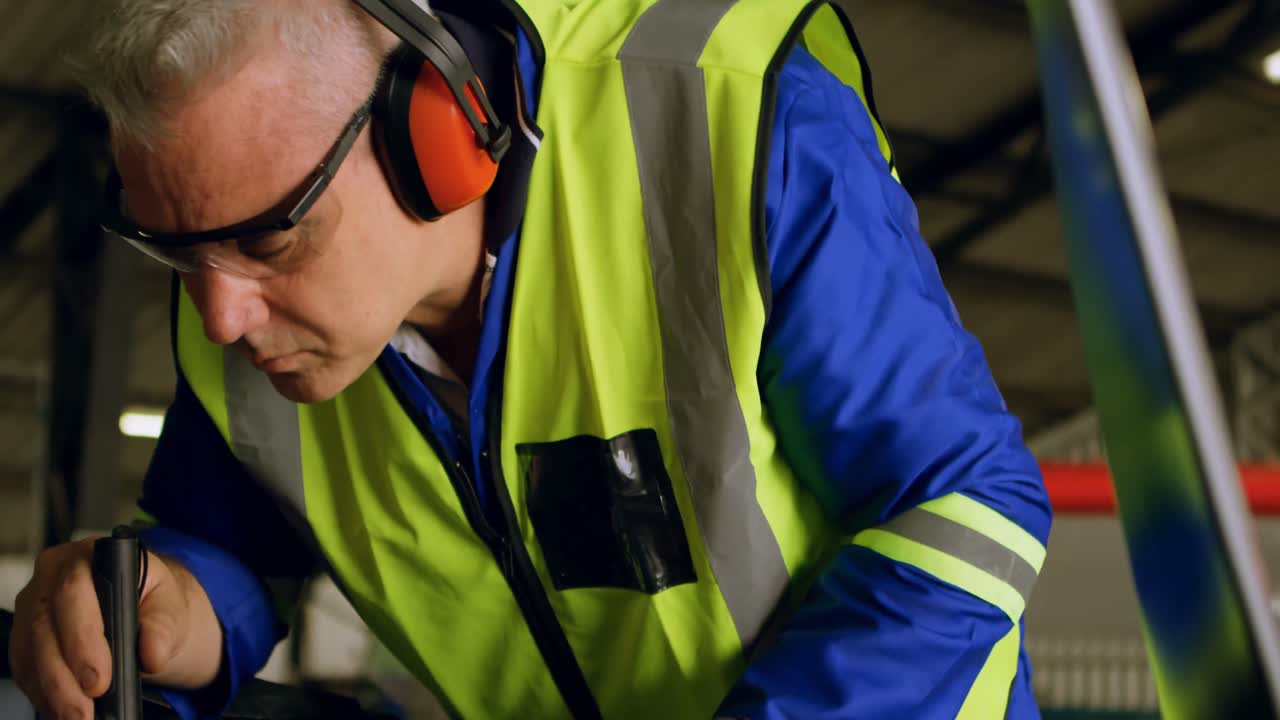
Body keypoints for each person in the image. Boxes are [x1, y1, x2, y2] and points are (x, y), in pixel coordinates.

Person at [9, 0, 1053, 718]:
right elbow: (225, 545)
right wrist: (167, 613)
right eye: (178, 251)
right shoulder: (239, 320)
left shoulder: (725, 122)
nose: (220, 316)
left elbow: (965, 508)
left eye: (271, 238)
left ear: (438, 128)